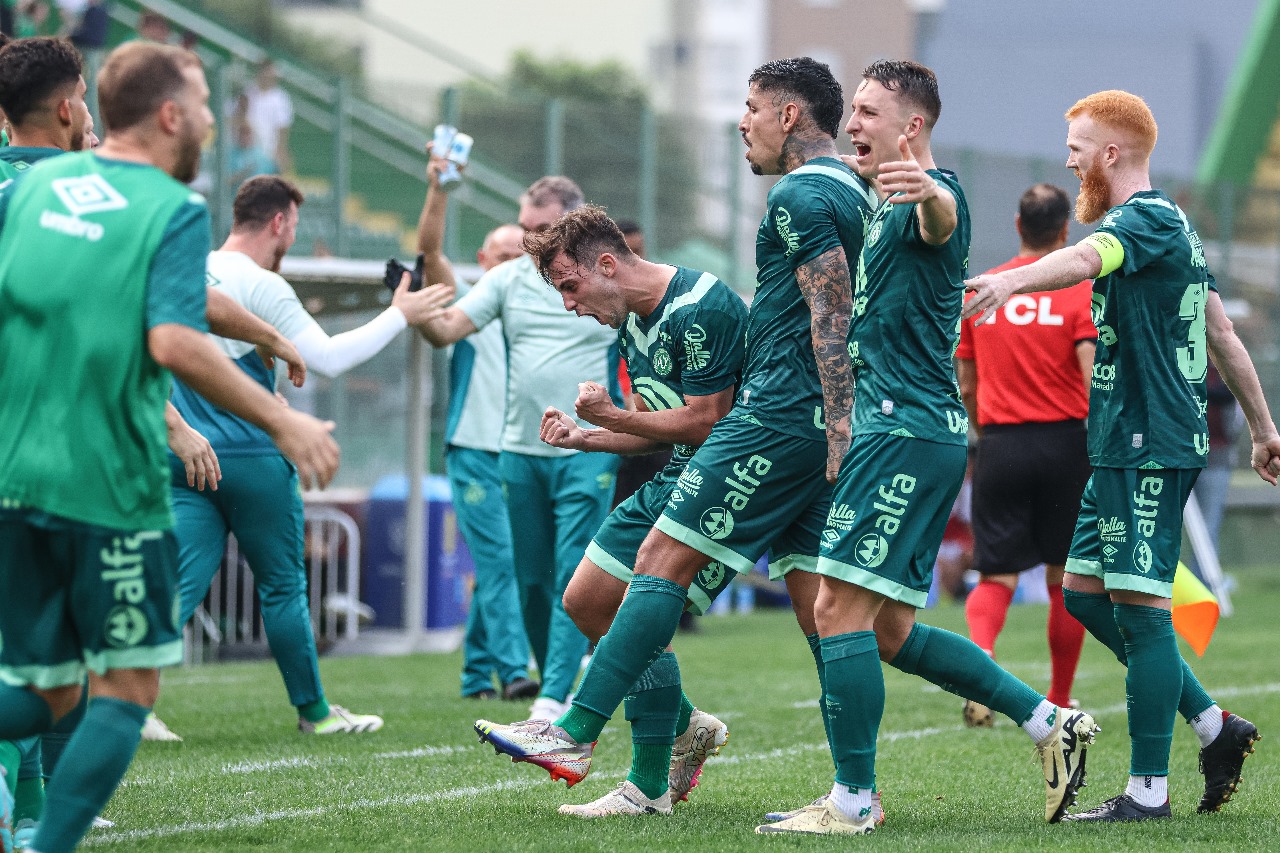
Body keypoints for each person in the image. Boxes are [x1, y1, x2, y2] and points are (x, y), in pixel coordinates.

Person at [470, 56, 882, 821]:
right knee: (828, 615)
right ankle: (855, 776)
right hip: (787, 427)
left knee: (690, 578)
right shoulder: (860, 193)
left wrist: (838, 422)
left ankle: (588, 736)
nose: (741, 121)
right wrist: (596, 437)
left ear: (789, 115)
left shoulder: (789, 204)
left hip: (776, 423)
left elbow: (823, 319)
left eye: (752, 106)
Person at [0, 40, 338, 853]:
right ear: (170, 115)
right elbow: (178, 339)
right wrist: (283, 419)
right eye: (206, 105)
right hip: (106, 481)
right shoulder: (171, 209)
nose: (219, 123)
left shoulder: (30, 184)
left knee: (50, 692)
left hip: (16, 472)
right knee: (123, 687)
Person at [763, 60, 1104, 837]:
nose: (854, 121)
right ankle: (1049, 720)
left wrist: (931, 192)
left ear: (910, 127)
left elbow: (942, 217)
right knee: (887, 631)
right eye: (853, 108)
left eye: (868, 111)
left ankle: (853, 799)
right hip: (905, 432)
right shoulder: (881, 199)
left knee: (835, 606)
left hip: (907, 431)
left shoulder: (926, 191)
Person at [964, 89, 1276, 822]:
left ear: (1111, 152)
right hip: (1117, 442)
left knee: (1140, 607)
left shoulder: (1141, 222)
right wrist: (1265, 428)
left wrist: (1008, 279)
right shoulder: (1175, 227)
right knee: (1080, 592)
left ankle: (1147, 792)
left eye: (1077, 146)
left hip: (1150, 442)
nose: (1069, 158)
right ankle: (1213, 725)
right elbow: (1223, 333)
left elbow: (1082, 258)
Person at [147, 174, 447, 739]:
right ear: (280, 222)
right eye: (295, 228)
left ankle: (130, 707)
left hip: (186, 452)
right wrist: (400, 314)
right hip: (253, 456)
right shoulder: (261, 283)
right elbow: (328, 358)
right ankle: (314, 712)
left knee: (178, 584)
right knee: (282, 587)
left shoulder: (189, 269)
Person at [477, 204, 747, 817]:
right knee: (586, 601)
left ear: (606, 263)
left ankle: (602, 754)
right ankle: (684, 729)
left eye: (569, 286)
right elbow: (659, 429)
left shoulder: (698, 307)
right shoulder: (631, 320)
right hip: (680, 469)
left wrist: (611, 417)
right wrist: (585, 437)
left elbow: (708, 423)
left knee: (858, 628)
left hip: (733, 476)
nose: (568, 304)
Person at [415, 176, 621, 721]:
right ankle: (549, 673)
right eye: (524, 228)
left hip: (586, 448)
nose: (530, 242)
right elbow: (447, 330)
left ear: (573, 226)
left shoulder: (605, 276)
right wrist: (414, 315)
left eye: (540, 230)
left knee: (571, 572)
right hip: (518, 450)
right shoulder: (507, 279)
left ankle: (553, 692)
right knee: (529, 579)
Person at [956, 183, 1093, 725]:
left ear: (1018, 224)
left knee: (995, 576)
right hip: (1066, 444)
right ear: (1065, 232)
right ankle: (1059, 698)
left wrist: (984, 428)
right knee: (1065, 579)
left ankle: (982, 671)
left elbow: (966, 380)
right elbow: (1090, 372)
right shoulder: (1078, 292)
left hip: (1000, 444)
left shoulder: (984, 291)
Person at [413, 143, 538, 702]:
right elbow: (429, 250)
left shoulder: (544, 308)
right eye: (503, 253)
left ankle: (473, 677)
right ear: (484, 263)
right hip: (473, 450)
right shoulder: (469, 301)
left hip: (519, 452)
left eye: (524, 252)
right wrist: (439, 188)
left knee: (503, 567)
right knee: (500, 564)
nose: (514, 261)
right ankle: (515, 673)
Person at [244, 59, 292, 174]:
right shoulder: (247, 93)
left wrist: (280, 150)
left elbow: (283, 127)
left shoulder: (280, 98)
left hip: (268, 152)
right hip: (247, 151)